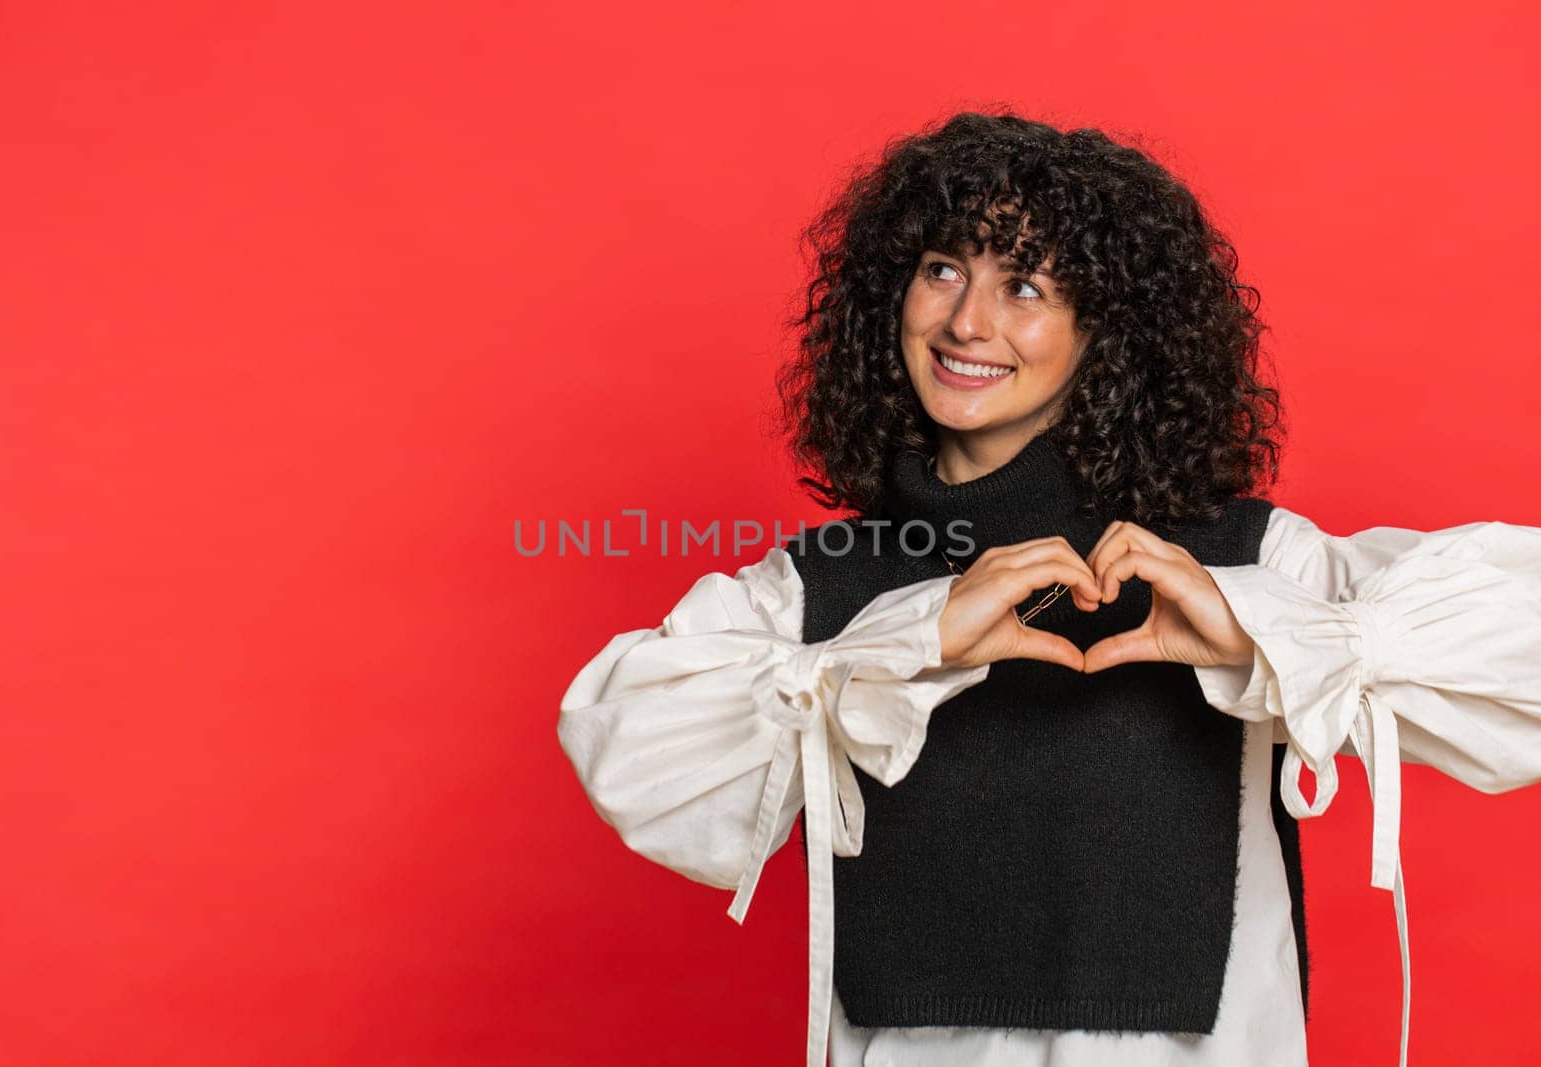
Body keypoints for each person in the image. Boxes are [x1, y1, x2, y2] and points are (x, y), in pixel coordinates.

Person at [555, 109, 1541, 1067]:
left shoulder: (1237, 557)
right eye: (941, 268)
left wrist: (1266, 631)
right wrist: (906, 640)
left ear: (1104, 331)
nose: (966, 321)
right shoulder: (815, 590)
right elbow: (627, 749)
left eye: (1023, 284)